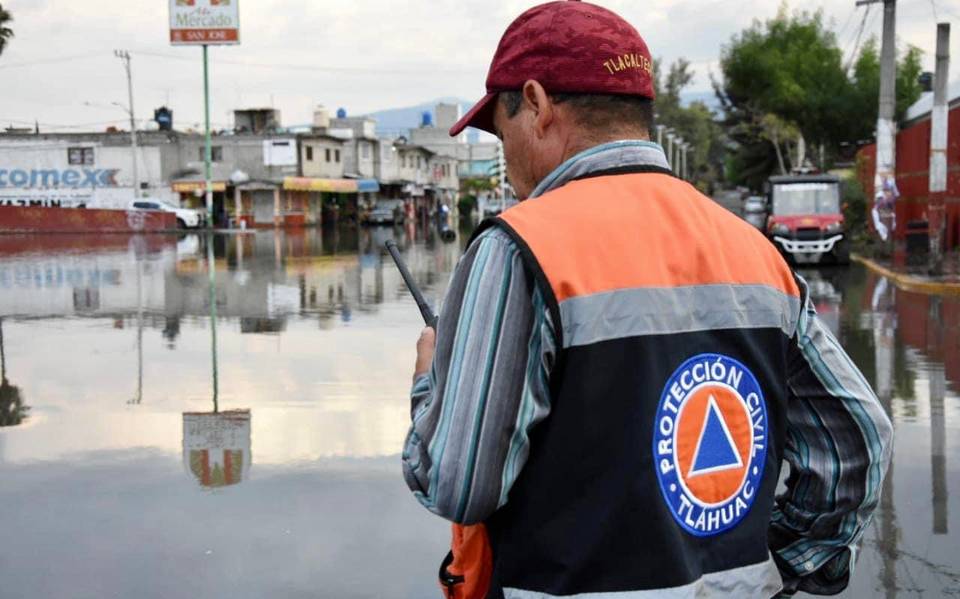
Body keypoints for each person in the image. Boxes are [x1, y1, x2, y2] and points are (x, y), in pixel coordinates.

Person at [401, 2, 893, 597]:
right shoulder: (753, 249)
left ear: (535, 102)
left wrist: (431, 384)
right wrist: (783, 565)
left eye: (501, 134)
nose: (507, 161)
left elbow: (459, 486)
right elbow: (860, 439)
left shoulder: (519, 249)